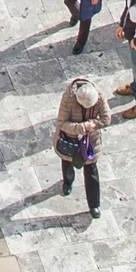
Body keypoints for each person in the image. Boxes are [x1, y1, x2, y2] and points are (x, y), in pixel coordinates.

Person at [53, 75, 106, 215]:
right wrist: (81, 127)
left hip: (90, 141)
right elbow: (61, 123)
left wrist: (94, 124)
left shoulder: (98, 96)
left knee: (91, 170)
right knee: (67, 162)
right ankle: (68, 182)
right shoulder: (68, 98)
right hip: (70, 140)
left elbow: (106, 118)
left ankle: (94, 205)